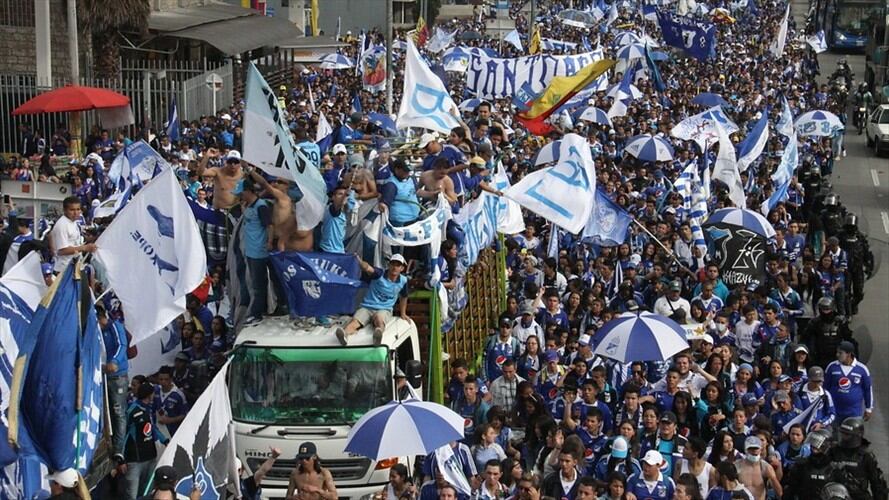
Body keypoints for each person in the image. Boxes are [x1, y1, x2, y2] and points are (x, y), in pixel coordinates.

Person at [337, 254, 411, 346]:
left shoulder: (403, 281)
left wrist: (403, 313)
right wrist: (359, 261)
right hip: (367, 307)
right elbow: (367, 268)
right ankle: (344, 334)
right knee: (356, 321)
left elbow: (404, 296)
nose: (394, 267)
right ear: (389, 265)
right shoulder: (379, 273)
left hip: (384, 309)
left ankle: (378, 337)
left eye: (398, 265)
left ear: (402, 268)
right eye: (393, 264)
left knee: (379, 319)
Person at [120, 382, 168, 500]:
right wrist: (121, 459)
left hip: (150, 457)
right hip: (135, 459)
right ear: (150, 395)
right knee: (131, 495)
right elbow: (123, 435)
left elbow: (152, 428)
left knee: (147, 492)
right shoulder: (132, 410)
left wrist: (165, 440)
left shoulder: (149, 409)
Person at [828, 417, 888, 500]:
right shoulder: (834, 451)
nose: (844, 437)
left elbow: (877, 483)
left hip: (859, 496)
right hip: (836, 495)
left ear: (857, 435)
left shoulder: (866, 455)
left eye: (847, 435)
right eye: (843, 434)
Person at [98, 305, 129, 462]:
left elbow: (122, 344)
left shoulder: (115, 326)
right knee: (104, 411)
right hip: (101, 376)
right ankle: (105, 443)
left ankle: (119, 449)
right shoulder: (94, 331)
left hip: (117, 377)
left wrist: (115, 361)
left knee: (118, 412)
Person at [823, 340, 873, 422]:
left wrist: (868, 408)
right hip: (834, 412)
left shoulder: (862, 369)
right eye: (837, 352)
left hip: (854, 413)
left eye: (840, 353)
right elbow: (825, 388)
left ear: (849, 354)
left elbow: (868, 389)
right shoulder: (831, 367)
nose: (837, 355)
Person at [50, 196, 97, 273]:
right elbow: (62, 250)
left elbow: (74, 241)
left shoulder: (73, 222)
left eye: (78, 209)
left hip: (75, 266)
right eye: (72, 210)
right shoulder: (62, 225)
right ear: (65, 210)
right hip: (64, 269)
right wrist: (84, 248)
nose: (76, 213)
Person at [734, 436, 781, 500]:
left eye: (756, 448)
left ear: (760, 450)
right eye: (751, 448)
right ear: (745, 450)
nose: (754, 451)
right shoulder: (736, 466)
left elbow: (779, 493)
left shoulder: (766, 467)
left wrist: (773, 478)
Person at [154, 365, 189, 437]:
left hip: (173, 432)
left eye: (166, 379)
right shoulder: (155, 390)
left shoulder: (178, 395)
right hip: (158, 430)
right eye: (161, 379)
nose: (163, 382)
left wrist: (170, 420)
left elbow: (184, 414)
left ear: (171, 379)